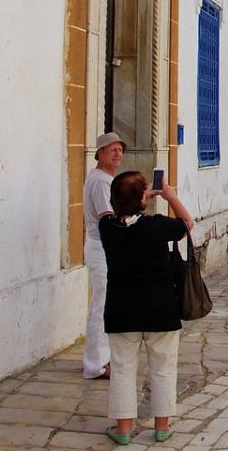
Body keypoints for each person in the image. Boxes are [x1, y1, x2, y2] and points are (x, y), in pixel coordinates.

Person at [100, 170, 194, 445]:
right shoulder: (157, 226)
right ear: (143, 199)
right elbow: (187, 223)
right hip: (160, 309)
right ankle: (162, 426)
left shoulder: (107, 227)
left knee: (122, 370)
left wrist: (137, 196)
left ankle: (124, 429)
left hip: (121, 310)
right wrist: (169, 196)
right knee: (163, 368)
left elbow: (116, 213)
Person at [81, 132, 125, 380]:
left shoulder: (105, 179)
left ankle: (101, 358)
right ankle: (96, 364)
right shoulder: (100, 182)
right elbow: (108, 217)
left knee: (105, 303)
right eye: (112, 149)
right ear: (100, 153)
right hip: (101, 248)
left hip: (103, 248)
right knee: (102, 305)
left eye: (120, 150)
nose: (118, 154)